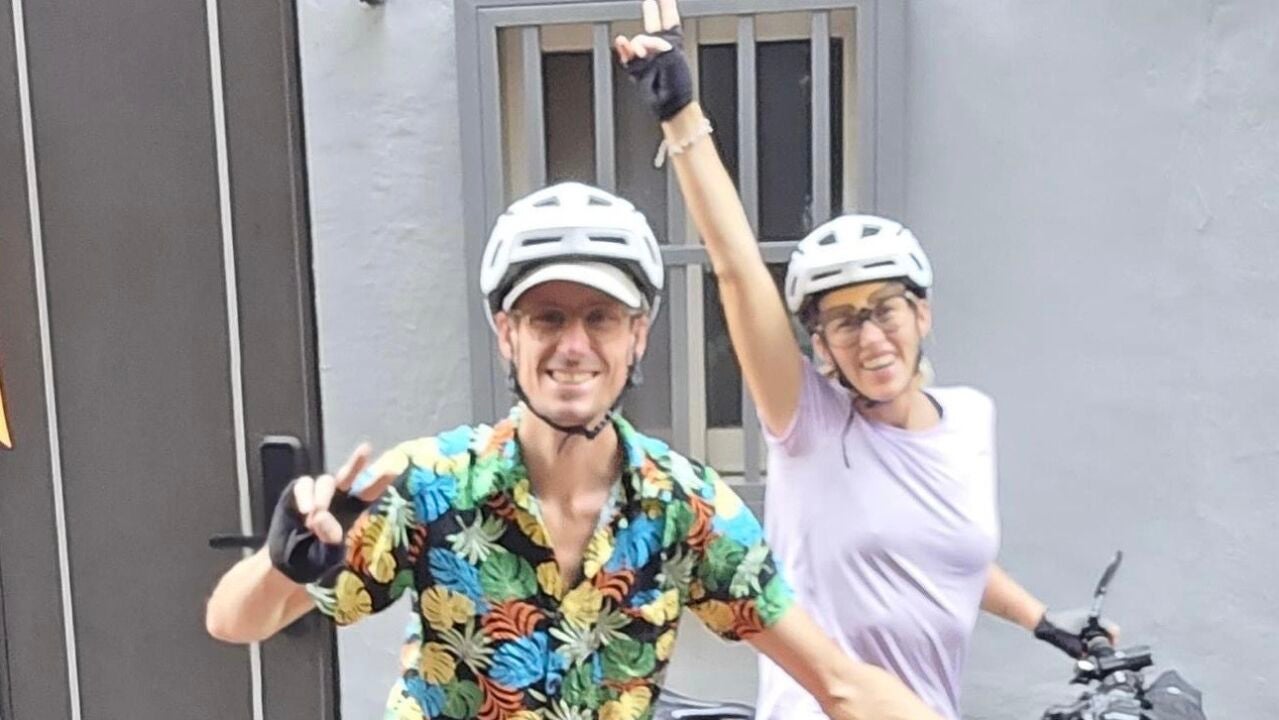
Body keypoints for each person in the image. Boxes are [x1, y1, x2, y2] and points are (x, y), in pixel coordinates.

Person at [204, 181, 942, 720]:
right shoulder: (429, 484)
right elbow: (235, 622)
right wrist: (282, 562)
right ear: (507, 335)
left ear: (637, 336)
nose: (574, 345)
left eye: (601, 318)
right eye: (547, 318)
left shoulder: (683, 507)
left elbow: (838, 683)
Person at [612, 2, 1116, 718]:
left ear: (922, 314)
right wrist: (681, 117)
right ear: (820, 344)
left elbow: (944, 553)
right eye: (844, 321)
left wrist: (1041, 620)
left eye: (885, 308)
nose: (870, 336)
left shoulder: (969, 420)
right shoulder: (809, 429)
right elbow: (736, 270)